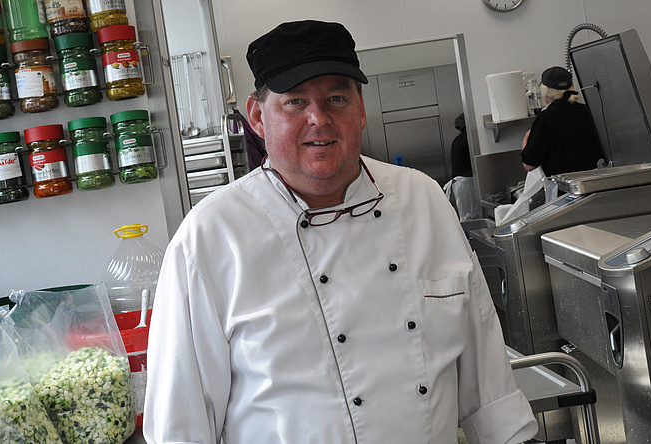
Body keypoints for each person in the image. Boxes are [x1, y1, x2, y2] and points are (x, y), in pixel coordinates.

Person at [143, 19, 538, 444]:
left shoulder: (421, 199)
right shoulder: (208, 238)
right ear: (257, 117)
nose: (319, 118)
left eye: (336, 97)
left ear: (361, 109)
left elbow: (485, 369)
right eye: (295, 102)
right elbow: (180, 427)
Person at [521, 66, 605, 176]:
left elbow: (529, 164)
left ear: (545, 91)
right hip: (594, 181)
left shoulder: (547, 117)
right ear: (572, 87)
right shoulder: (588, 111)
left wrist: (528, 137)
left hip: (564, 188)